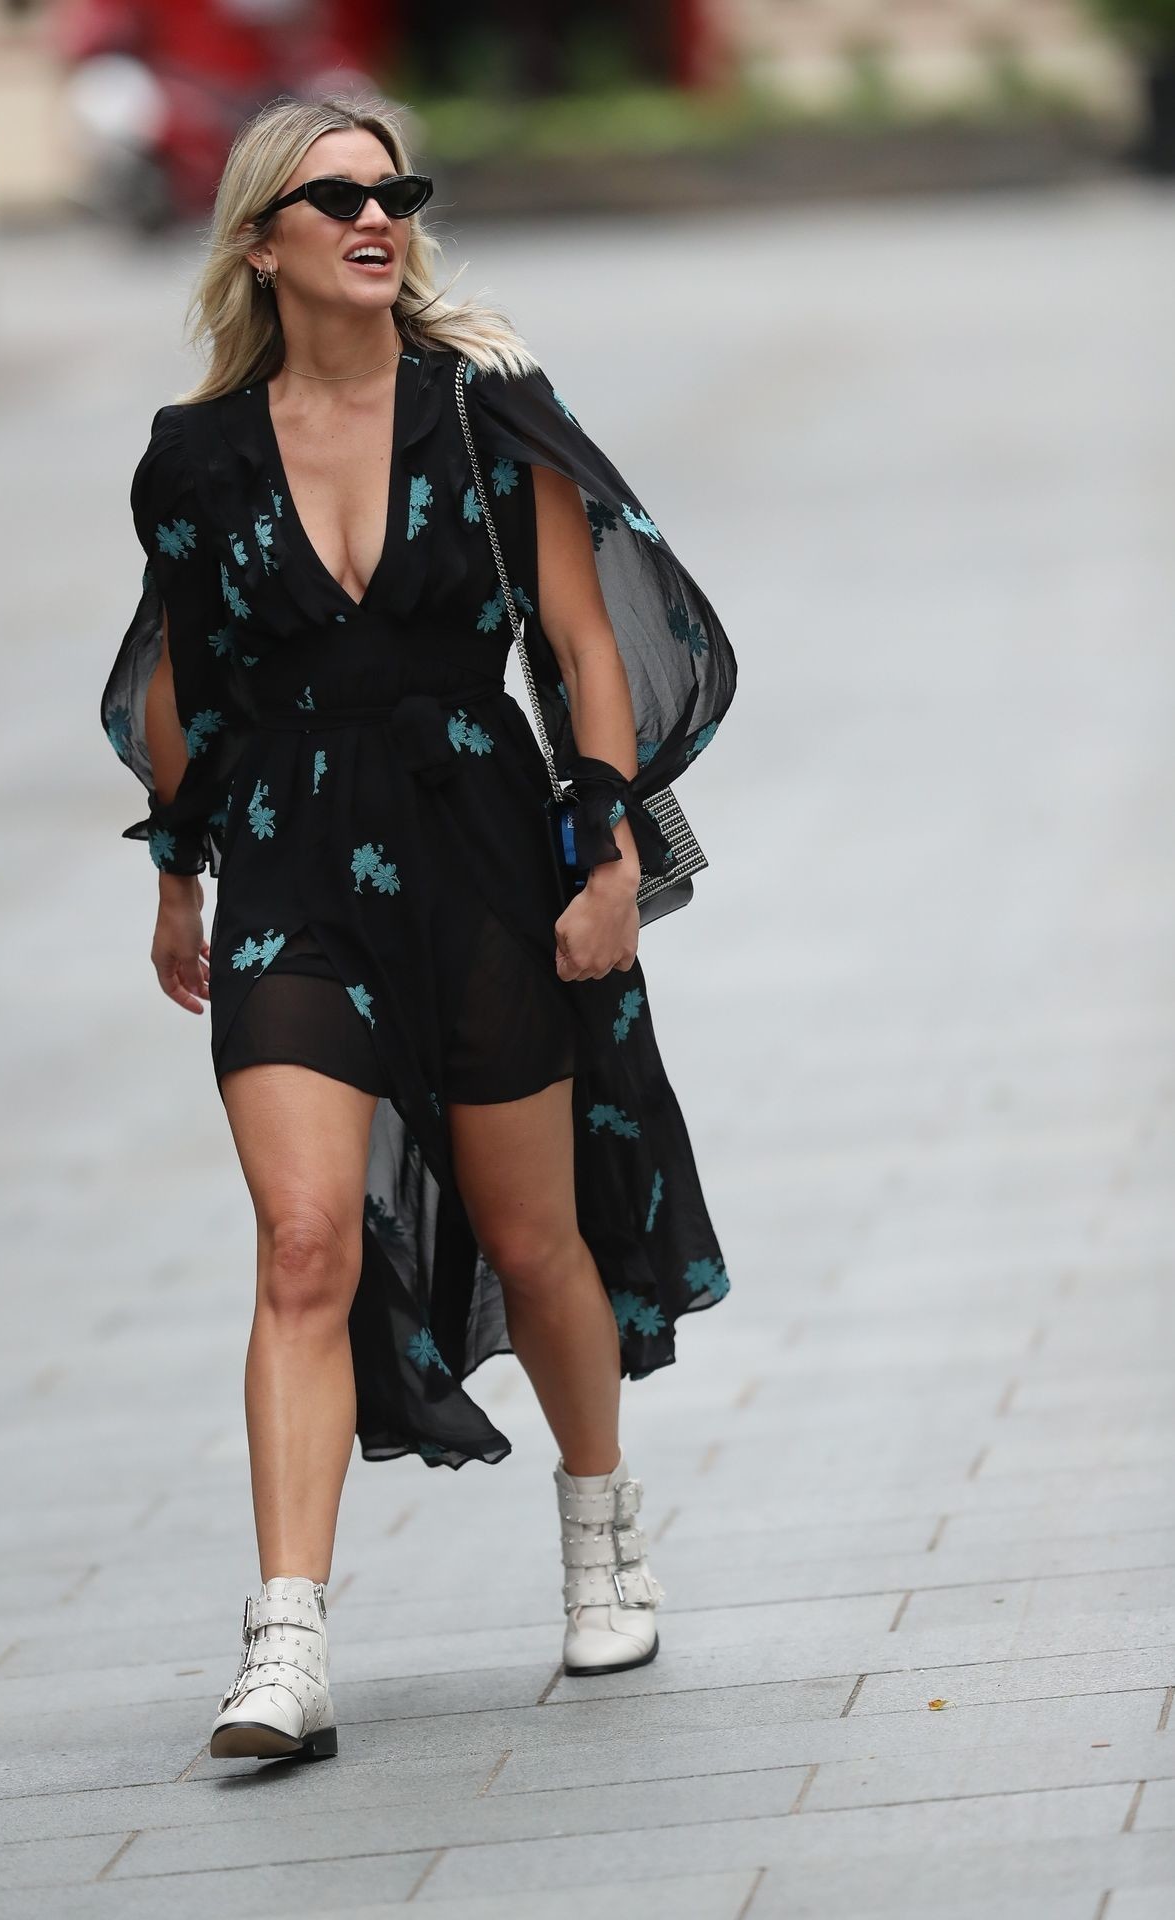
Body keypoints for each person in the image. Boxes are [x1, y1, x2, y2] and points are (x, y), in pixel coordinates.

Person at [99, 91, 737, 1766]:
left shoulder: (484, 405)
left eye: (396, 192)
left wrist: (608, 855)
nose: (377, 218)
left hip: (476, 840)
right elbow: (184, 677)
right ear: (263, 243)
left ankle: (600, 1532)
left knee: (534, 1239)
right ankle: (286, 1644)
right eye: (337, 200)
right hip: (290, 860)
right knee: (303, 1240)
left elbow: (581, 643)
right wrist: (176, 872)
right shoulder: (196, 456)